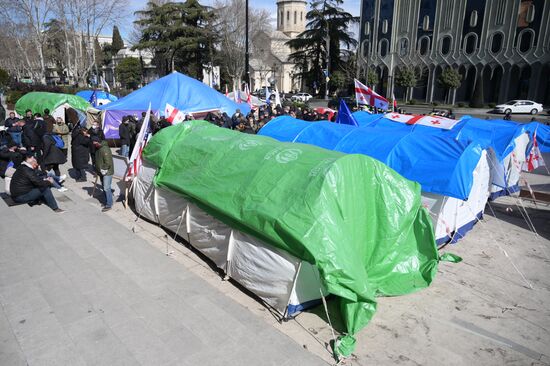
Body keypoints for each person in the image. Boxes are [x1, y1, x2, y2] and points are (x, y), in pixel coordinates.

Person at [92, 137, 114, 212]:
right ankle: (106, 201)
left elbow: (108, 162)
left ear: (98, 142)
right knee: (104, 187)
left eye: (94, 143)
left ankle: (109, 204)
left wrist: (102, 168)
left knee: (106, 188)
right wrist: (97, 170)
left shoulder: (105, 149)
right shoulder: (98, 148)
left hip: (107, 172)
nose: (94, 144)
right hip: (101, 171)